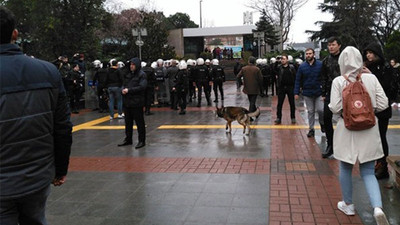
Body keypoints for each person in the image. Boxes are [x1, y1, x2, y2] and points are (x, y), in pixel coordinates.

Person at [0, 7, 72, 225]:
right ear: (15, 34)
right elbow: (62, 127)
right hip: (38, 176)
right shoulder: (49, 71)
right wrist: (60, 169)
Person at [329, 46, 389, 225]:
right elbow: (384, 102)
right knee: (369, 171)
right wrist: (368, 112)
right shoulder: (371, 78)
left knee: (346, 168)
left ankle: (348, 204)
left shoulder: (339, 81)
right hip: (369, 129)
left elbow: (336, 107)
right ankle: (377, 207)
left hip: (346, 129)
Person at [363, 43, 396, 179]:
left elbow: (387, 87)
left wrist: (371, 75)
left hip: (382, 108)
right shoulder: (366, 67)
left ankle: (382, 166)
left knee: (381, 137)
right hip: (369, 108)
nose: (368, 55)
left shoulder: (385, 68)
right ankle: (376, 163)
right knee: (372, 138)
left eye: (371, 52)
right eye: (367, 53)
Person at [294, 48, 324, 138]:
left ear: (314, 54)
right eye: (307, 54)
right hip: (307, 93)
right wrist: (296, 92)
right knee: (310, 111)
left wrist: (324, 90)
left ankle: (322, 123)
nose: (308, 55)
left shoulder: (320, 65)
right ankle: (311, 129)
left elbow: (324, 77)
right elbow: (298, 80)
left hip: (319, 92)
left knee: (320, 110)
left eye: (310, 53)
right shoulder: (302, 66)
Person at [118, 58, 147, 149]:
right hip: (127, 102)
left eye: (133, 64)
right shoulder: (128, 74)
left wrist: (129, 90)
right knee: (128, 122)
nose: (131, 66)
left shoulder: (141, 75)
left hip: (137, 102)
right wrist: (123, 89)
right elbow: (124, 83)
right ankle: (128, 139)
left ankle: (141, 140)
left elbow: (142, 87)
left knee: (139, 123)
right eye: (130, 64)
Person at [321, 36, 342, 158]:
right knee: (326, 117)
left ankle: (347, 145)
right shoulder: (326, 61)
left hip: (344, 92)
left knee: (346, 119)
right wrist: (323, 93)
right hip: (330, 92)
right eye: (329, 45)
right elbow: (323, 77)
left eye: (333, 44)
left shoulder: (344, 59)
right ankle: (331, 145)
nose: (331, 47)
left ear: (339, 45)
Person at [274, 54, 297, 125]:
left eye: (284, 59)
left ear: (287, 60)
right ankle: (278, 118)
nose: (282, 60)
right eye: (281, 59)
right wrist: (276, 61)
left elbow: (295, 76)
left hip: (290, 87)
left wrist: (296, 88)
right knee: (279, 104)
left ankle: (293, 117)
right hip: (281, 87)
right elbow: (273, 69)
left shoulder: (291, 67)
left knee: (292, 103)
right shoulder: (279, 67)